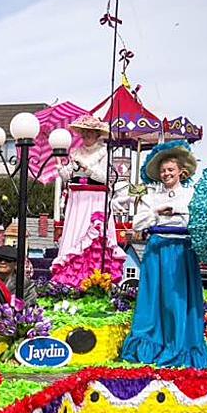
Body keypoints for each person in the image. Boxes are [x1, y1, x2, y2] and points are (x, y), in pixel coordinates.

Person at [120, 142, 207, 369]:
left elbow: (198, 220)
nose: (166, 173)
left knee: (176, 300)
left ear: (181, 171)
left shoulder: (191, 195)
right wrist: (157, 212)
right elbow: (138, 222)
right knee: (153, 298)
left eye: (171, 169)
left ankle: (179, 345)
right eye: (163, 170)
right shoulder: (152, 196)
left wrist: (177, 210)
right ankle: (152, 345)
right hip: (157, 250)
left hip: (182, 251)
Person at [50, 114, 126, 287]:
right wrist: (59, 164)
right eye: (84, 134)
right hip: (78, 199)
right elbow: (67, 175)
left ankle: (97, 278)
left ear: (97, 135)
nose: (86, 137)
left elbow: (107, 178)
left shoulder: (103, 153)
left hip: (96, 198)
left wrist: (88, 169)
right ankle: (69, 279)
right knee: (76, 235)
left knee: (94, 233)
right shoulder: (76, 152)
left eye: (90, 134)